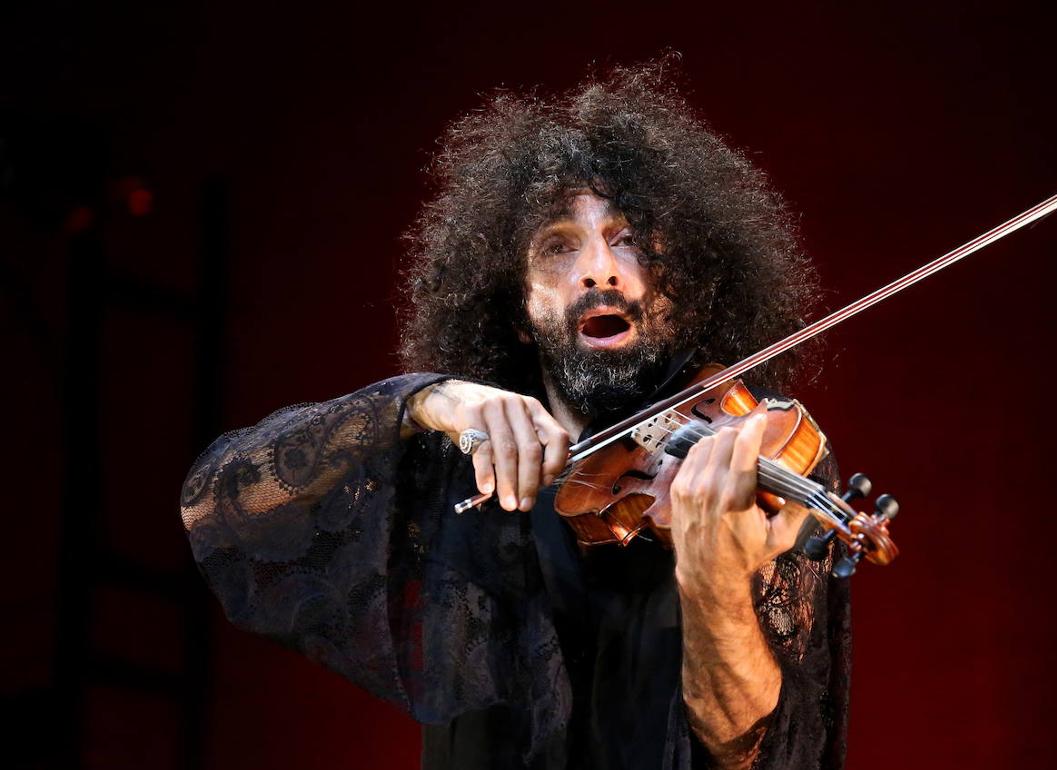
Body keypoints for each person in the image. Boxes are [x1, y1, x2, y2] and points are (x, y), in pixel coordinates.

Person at [179, 59, 851, 770]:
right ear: (519, 315)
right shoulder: (459, 460)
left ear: (681, 288)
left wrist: (714, 585)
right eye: (558, 246)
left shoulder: (754, 456)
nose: (599, 269)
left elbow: (757, 752)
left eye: (628, 238)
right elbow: (219, 506)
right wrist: (428, 399)